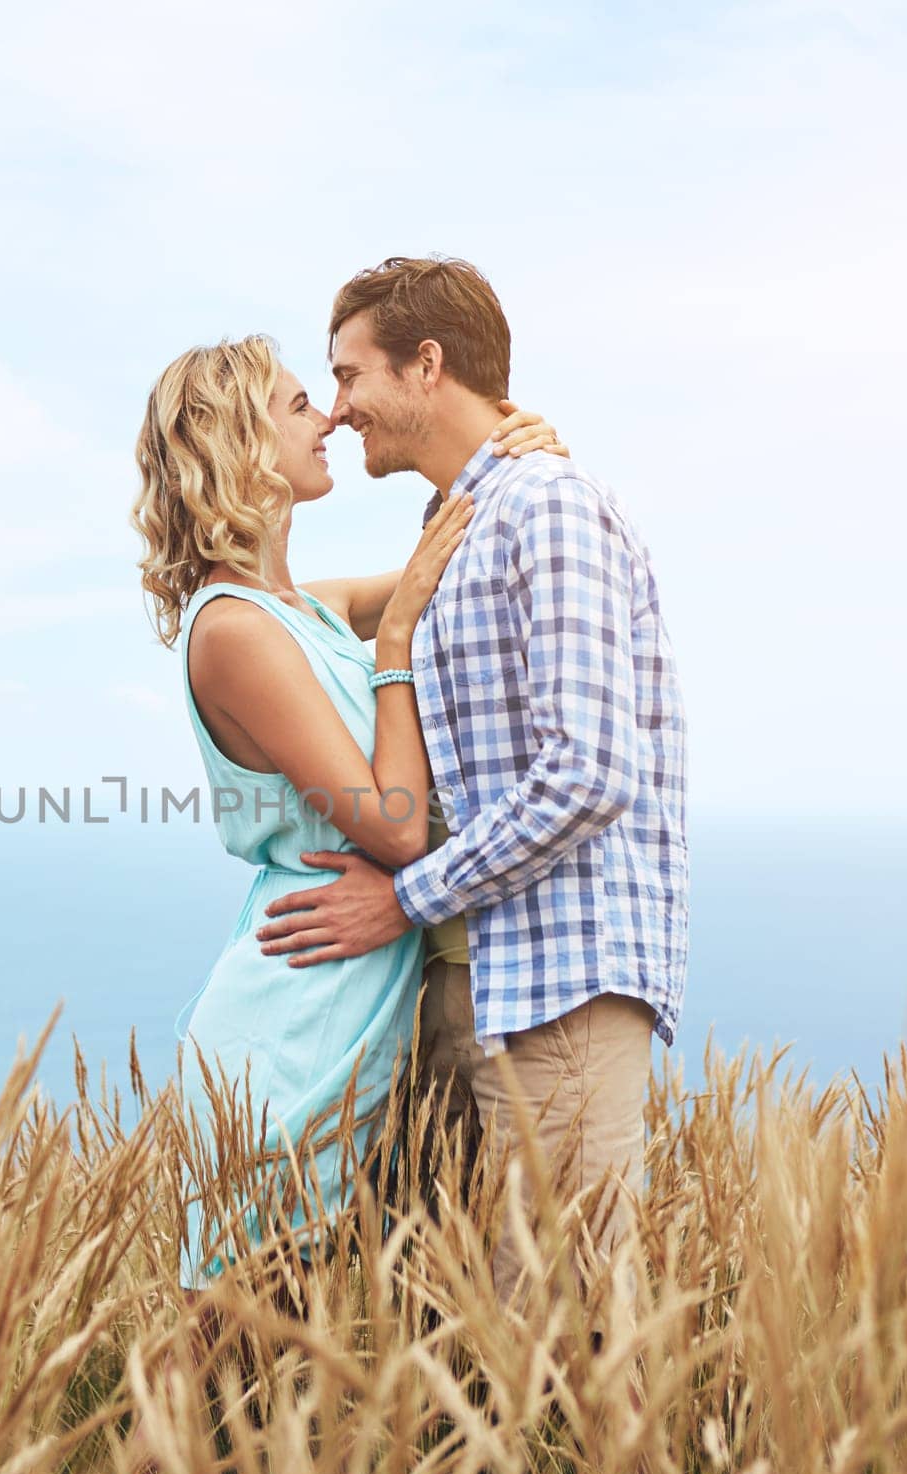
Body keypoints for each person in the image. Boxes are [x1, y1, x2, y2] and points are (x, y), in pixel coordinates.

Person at [105, 333, 565, 1474]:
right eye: (300, 404)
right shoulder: (234, 633)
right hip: (288, 1031)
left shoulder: (294, 608)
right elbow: (397, 826)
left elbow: (414, 566)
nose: (325, 420)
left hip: (341, 1017)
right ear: (237, 447)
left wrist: (494, 454)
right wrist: (403, 641)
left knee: (270, 1371)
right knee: (221, 1363)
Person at [253, 256, 689, 1315]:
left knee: (564, 1339)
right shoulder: (456, 525)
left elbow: (586, 773)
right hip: (467, 978)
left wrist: (398, 898)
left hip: (558, 988)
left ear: (425, 365)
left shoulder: (548, 510)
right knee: (462, 1329)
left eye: (350, 375)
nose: (340, 405)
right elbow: (267, 613)